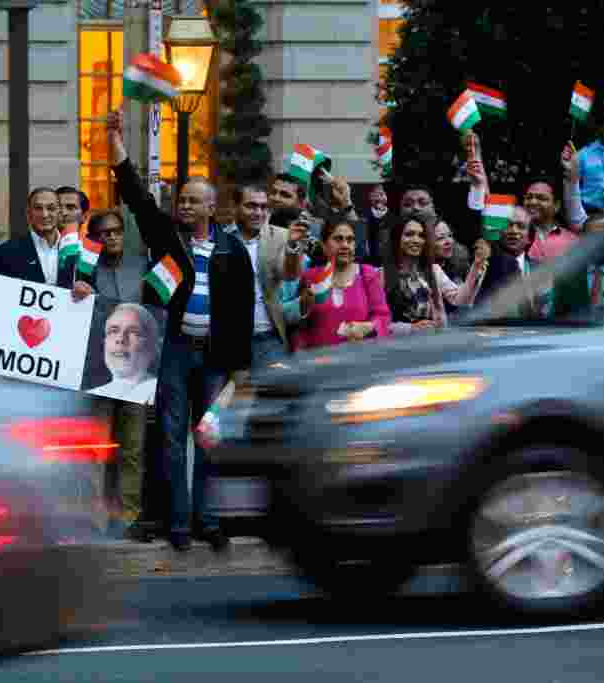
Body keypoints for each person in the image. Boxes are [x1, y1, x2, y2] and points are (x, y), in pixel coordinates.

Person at [107, 108, 254, 553]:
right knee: (171, 440)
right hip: (173, 351)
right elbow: (136, 197)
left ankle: (207, 520)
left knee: (207, 440)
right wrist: (115, 144)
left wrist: (239, 368)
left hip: (214, 358)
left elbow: (244, 310)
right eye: (182, 201)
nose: (184, 206)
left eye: (194, 201)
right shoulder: (168, 239)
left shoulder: (232, 250)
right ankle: (178, 525)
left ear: (212, 207)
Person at [72, 209, 151, 539]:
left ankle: (128, 518)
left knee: (132, 448)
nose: (112, 236)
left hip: (136, 370)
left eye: (117, 230)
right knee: (97, 449)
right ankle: (94, 520)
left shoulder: (141, 267)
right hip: (99, 370)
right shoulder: (84, 273)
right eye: (105, 233)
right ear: (95, 238)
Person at [229, 184, 304, 368]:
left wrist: (293, 247)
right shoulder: (221, 239)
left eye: (263, 207)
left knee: (272, 395)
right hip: (228, 340)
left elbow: (289, 274)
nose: (258, 212)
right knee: (228, 396)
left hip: (267, 338)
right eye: (251, 206)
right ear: (235, 207)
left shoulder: (281, 237)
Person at [291, 218, 391, 350]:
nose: (345, 245)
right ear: (324, 245)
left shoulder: (367, 274)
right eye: (338, 239)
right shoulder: (310, 277)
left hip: (359, 360)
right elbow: (299, 327)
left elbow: (383, 316)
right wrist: (300, 357)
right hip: (318, 363)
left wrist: (369, 327)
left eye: (350, 240)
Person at [382, 212, 486, 333]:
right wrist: (410, 328)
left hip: (433, 344)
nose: (416, 240)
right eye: (409, 234)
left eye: (421, 235)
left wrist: (476, 264)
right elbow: (379, 322)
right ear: (396, 238)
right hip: (396, 347)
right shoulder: (382, 274)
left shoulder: (433, 270)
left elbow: (460, 300)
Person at [0, 187, 76, 288]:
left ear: (59, 213)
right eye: (38, 208)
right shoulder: (5, 253)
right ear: (28, 213)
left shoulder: (77, 251)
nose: (44, 215)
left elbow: (94, 295)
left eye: (51, 208)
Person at [89, 303, 160, 404]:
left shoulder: (156, 391)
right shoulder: (92, 393)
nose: (120, 339)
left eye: (133, 332)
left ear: (152, 347)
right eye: (113, 331)